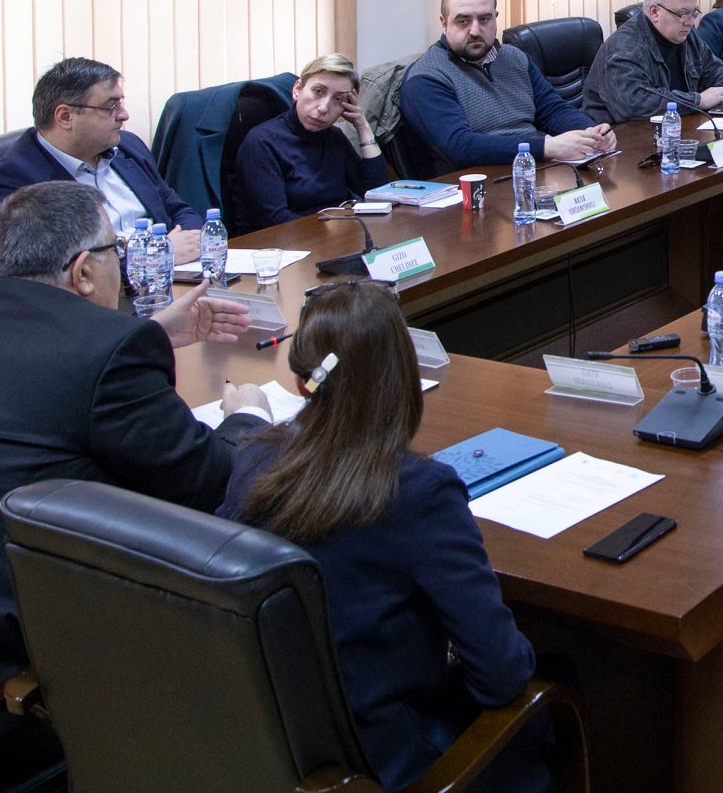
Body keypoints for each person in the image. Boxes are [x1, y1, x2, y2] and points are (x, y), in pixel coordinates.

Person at [0, 182, 269, 686]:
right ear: (84, 272)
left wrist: (150, 331)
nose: (120, 265)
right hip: (4, 633)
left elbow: (48, 371)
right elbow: (208, 482)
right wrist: (248, 419)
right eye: (115, 253)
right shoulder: (111, 351)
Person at [221, 282, 543, 792]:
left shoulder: (252, 462)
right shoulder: (417, 492)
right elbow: (501, 676)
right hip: (393, 763)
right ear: (404, 377)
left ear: (303, 383)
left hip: (283, 761)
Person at [0, 57, 202, 260]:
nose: (124, 115)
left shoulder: (128, 147)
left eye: (120, 103)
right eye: (110, 107)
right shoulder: (18, 177)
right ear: (65, 117)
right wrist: (157, 253)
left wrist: (190, 241)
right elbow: (47, 266)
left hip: (177, 275)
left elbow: (179, 210)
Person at [403, 0, 615, 171]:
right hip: (478, 180)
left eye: (484, 19)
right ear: (444, 23)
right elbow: (461, 146)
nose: (475, 30)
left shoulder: (514, 58)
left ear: (495, 18)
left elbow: (552, 110)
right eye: (463, 21)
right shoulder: (426, 77)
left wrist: (591, 132)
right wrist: (547, 147)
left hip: (537, 167)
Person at [582, 0, 723, 125]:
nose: (690, 22)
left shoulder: (685, 34)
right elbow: (634, 104)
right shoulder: (624, 47)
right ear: (654, 12)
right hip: (619, 140)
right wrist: (698, 100)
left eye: (694, 12)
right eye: (682, 13)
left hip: (672, 128)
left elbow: (712, 68)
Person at [233, 53, 390, 231]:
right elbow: (276, 220)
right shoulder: (261, 142)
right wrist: (334, 230)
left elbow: (377, 196)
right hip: (283, 242)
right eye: (318, 91)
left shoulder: (334, 137)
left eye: (338, 99)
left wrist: (363, 126)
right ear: (297, 89)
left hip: (335, 235)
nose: (323, 108)